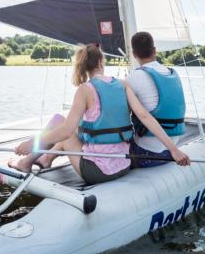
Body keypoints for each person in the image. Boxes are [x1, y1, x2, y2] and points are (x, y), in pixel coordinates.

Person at [10, 42, 189, 183]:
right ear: (101, 62)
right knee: (70, 125)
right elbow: (144, 116)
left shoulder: (84, 90)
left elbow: (65, 131)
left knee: (59, 122)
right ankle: (46, 159)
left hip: (97, 171)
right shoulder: (123, 84)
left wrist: (33, 142)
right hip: (123, 165)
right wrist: (173, 149)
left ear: (84, 66)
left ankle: (26, 162)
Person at [126, 30, 187, 168]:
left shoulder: (133, 78)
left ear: (134, 54)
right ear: (154, 50)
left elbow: (122, 113)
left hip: (148, 153)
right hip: (172, 147)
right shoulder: (171, 74)